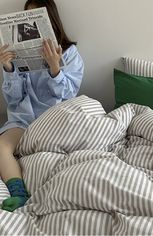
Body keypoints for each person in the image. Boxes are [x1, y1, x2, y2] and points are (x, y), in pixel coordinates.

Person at [0, 0, 84, 212]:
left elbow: (69, 95)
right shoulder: (16, 54)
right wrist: (9, 68)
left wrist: (55, 68)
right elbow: (14, 100)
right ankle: (19, 193)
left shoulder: (70, 54)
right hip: (24, 120)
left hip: (55, 121)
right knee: (1, 146)